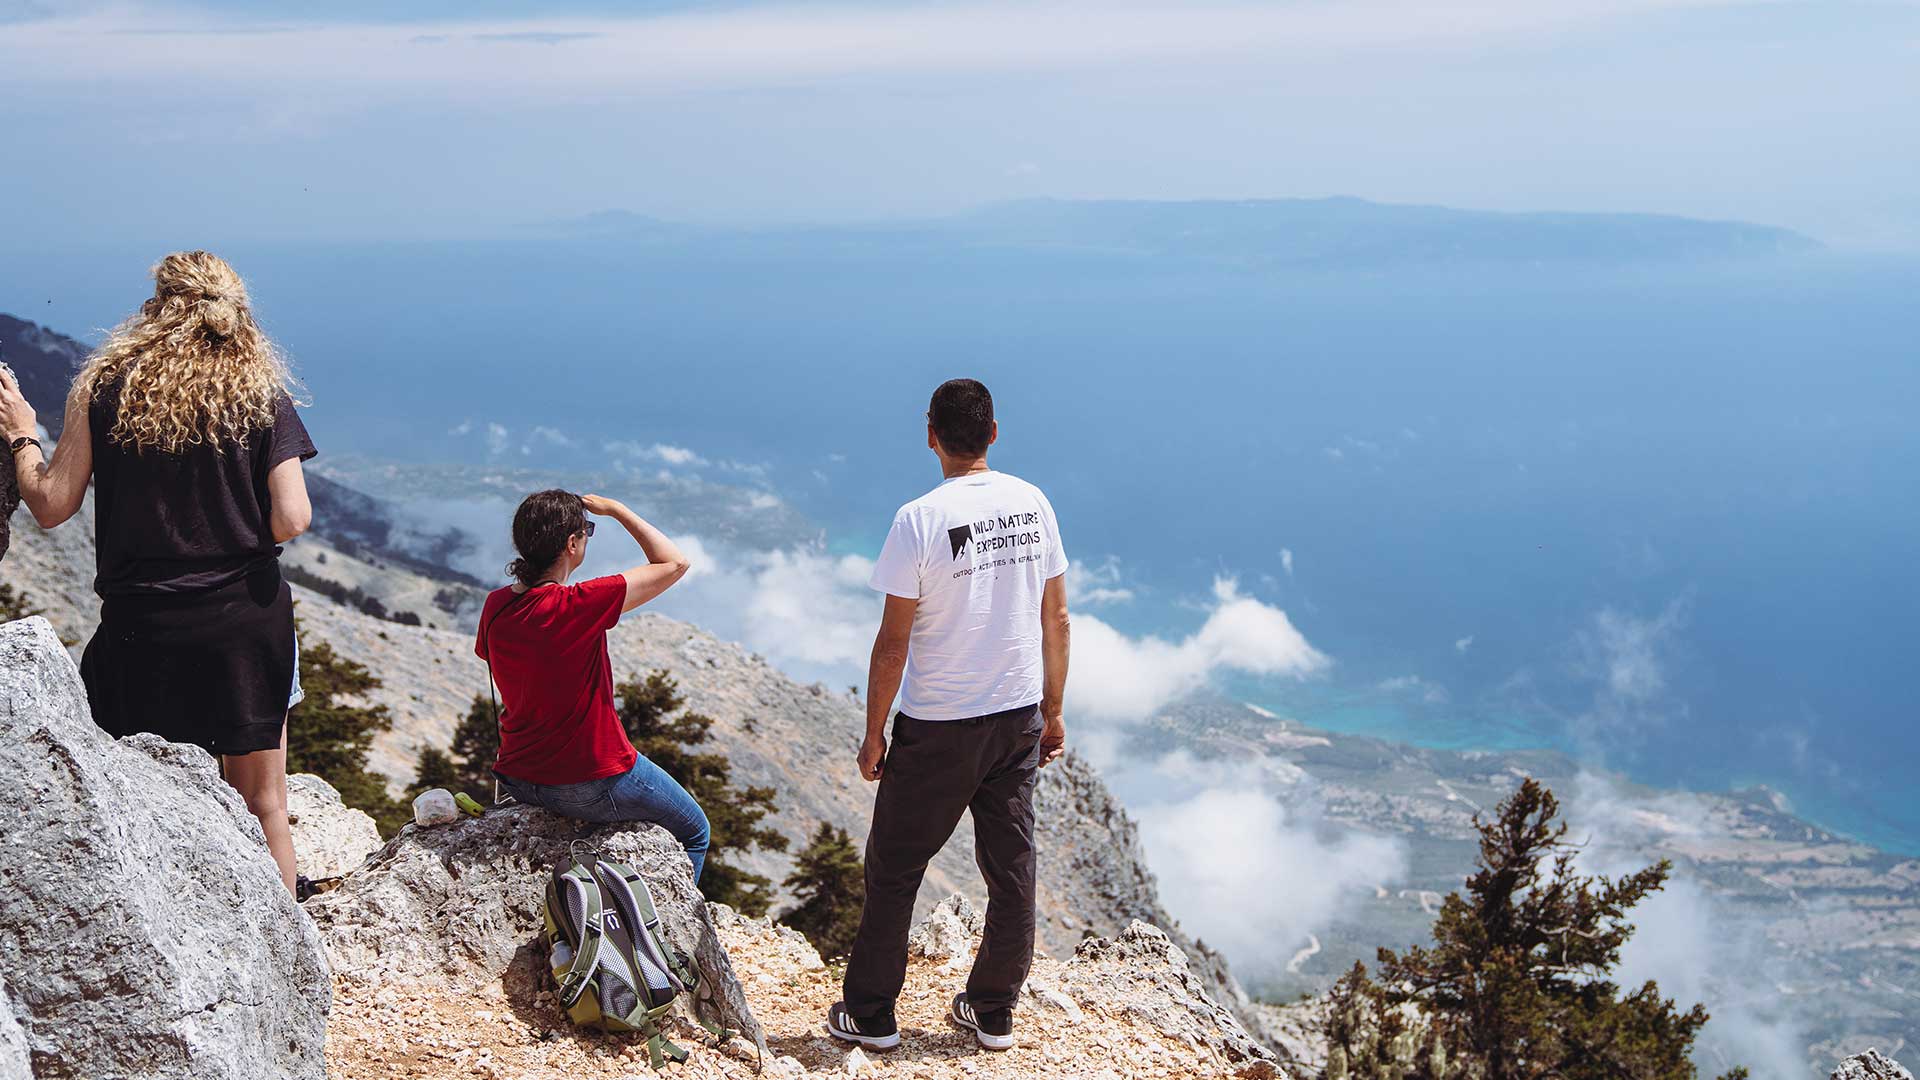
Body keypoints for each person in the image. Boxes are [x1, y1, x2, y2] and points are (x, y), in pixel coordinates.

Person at [0, 251, 316, 894]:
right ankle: (291, 962)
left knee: (142, 795)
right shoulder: (259, 392)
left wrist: (22, 434)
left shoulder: (106, 386)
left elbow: (53, 505)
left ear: (159, 308)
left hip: (143, 627)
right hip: (244, 623)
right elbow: (292, 518)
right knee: (265, 804)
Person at [827, 378, 1071, 1053]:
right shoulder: (1034, 503)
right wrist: (1052, 712)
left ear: (929, 434)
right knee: (1012, 868)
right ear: (994, 432)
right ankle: (992, 1010)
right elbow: (1057, 618)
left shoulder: (919, 519)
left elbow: (894, 640)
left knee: (896, 871)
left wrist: (873, 731)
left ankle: (872, 1015)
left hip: (938, 725)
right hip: (1017, 716)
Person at [476, 489, 711, 879]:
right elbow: (675, 562)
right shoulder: (579, 604)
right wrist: (617, 509)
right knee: (694, 831)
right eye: (586, 531)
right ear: (572, 544)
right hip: (589, 778)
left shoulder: (495, 604)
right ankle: (664, 932)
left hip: (519, 776)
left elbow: (489, 653)